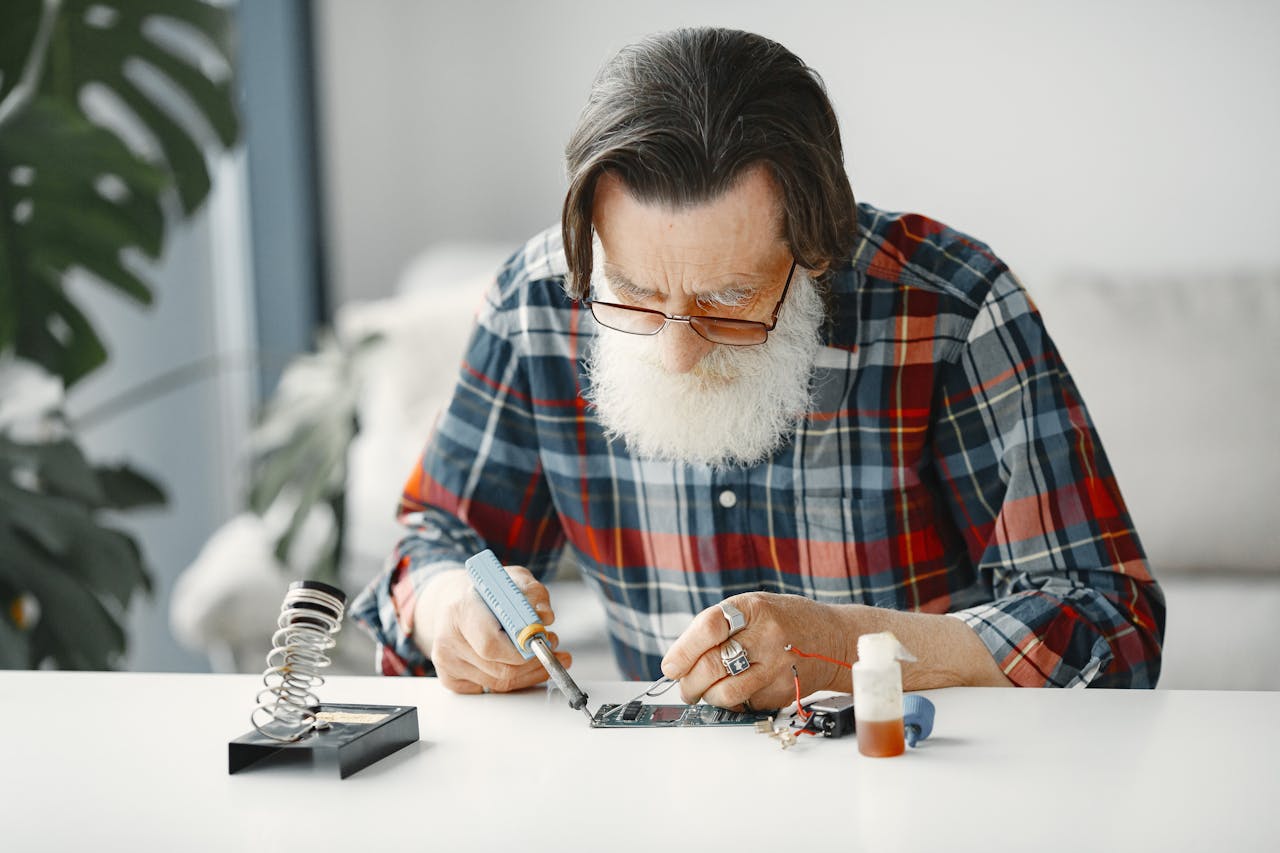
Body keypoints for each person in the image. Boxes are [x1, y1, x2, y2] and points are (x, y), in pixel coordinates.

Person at [350, 27, 1165, 709]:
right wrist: (449, 607)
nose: (675, 348)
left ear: (816, 250)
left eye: (728, 299)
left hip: (912, 780)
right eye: (632, 291)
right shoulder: (535, 303)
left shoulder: (950, 306)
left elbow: (1112, 624)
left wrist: (853, 648)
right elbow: (438, 544)